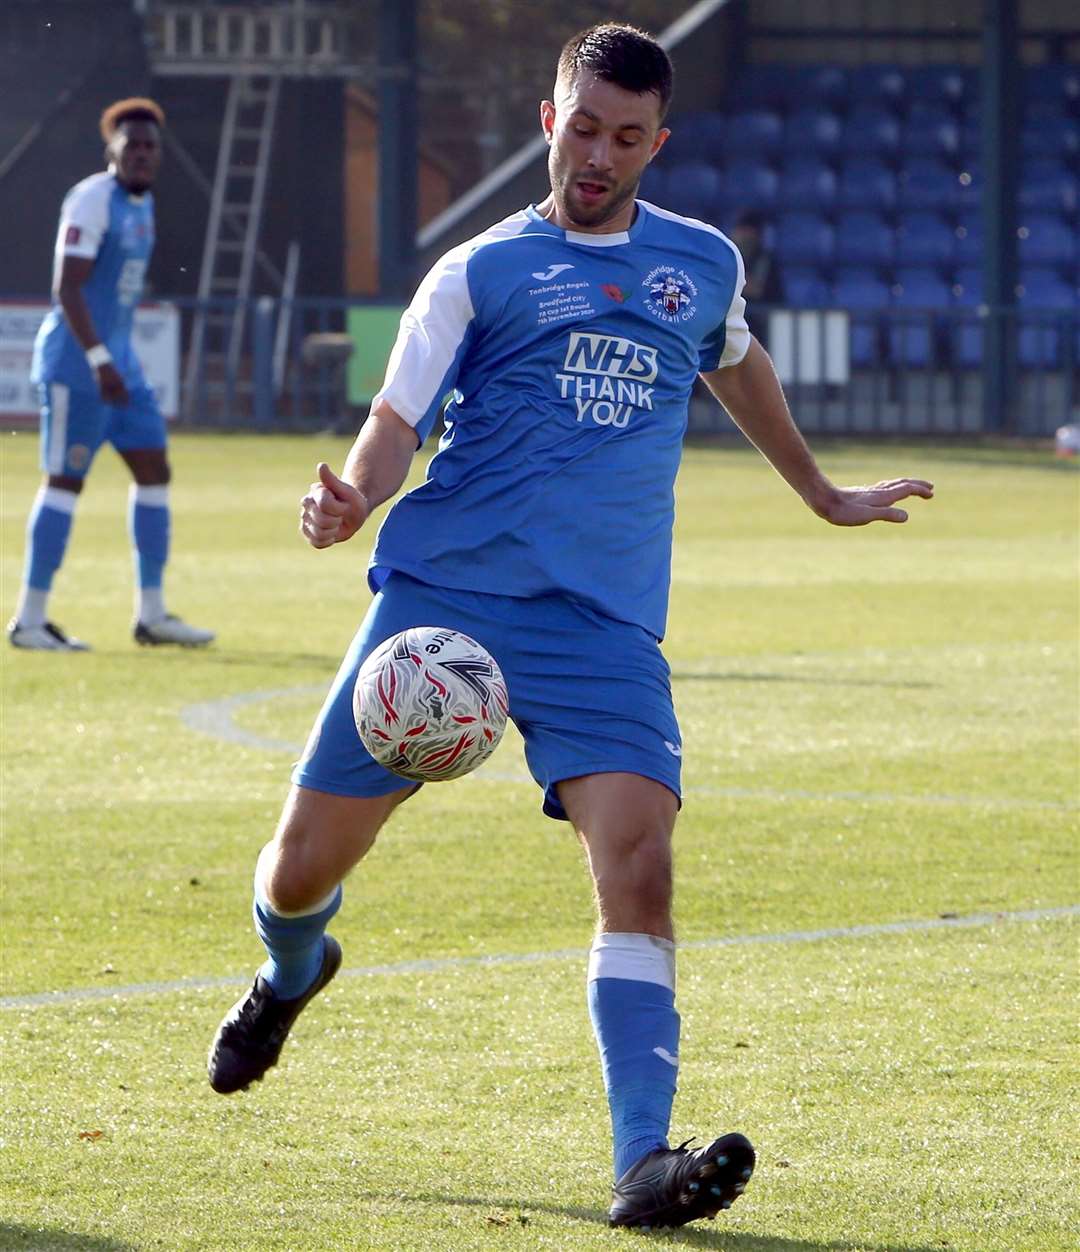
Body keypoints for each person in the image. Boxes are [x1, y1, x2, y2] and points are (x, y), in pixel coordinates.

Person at [207, 24, 933, 1231]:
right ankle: (292, 972)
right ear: (552, 119)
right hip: (444, 609)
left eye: (626, 136)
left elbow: (736, 362)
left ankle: (644, 1163)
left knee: (639, 866)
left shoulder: (697, 265)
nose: (598, 155)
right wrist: (352, 496)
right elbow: (395, 420)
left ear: (659, 141)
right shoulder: (476, 272)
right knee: (296, 876)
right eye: (582, 127)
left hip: (599, 625)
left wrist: (819, 489)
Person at [8, 97, 214, 652]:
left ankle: (151, 615)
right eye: (134, 146)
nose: (144, 155)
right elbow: (68, 287)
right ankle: (29, 620)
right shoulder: (92, 200)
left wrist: (116, 359)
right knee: (65, 482)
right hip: (80, 366)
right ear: (113, 151)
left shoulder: (141, 204)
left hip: (122, 365)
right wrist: (99, 361)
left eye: (151, 146)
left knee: (154, 468)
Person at [730, 209, 783, 348]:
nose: (740, 235)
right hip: (736, 324)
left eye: (745, 231)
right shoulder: (732, 257)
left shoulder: (764, 260)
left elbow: (755, 290)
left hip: (761, 326)